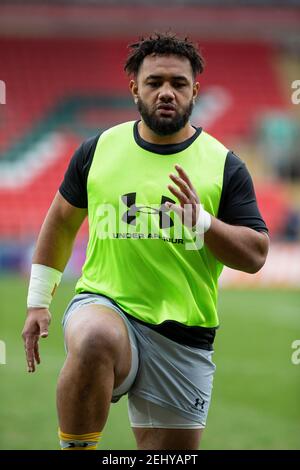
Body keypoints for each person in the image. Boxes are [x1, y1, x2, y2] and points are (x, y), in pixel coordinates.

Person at [22, 33, 269, 451]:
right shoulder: (97, 150)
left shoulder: (224, 164)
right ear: (135, 87)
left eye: (178, 83)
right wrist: (38, 300)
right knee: (95, 337)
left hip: (183, 337)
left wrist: (204, 223)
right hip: (104, 305)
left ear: (196, 90)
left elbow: (256, 255)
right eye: (155, 82)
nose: (167, 92)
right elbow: (61, 223)